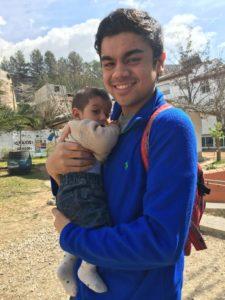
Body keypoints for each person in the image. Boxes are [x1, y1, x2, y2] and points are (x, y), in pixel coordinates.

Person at [47, 8, 197, 300]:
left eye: (133, 59)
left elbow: (160, 242)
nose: (118, 73)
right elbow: (93, 187)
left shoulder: (169, 127)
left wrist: (72, 237)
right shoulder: (107, 125)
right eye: (109, 63)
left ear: (160, 62)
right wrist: (54, 170)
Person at [55, 87, 119, 297]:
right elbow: (104, 142)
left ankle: (66, 265)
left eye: (108, 113)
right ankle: (87, 268)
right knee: (98, 226)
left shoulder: (77, 128)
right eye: (96, 111)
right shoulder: (80, 127)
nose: (103, 118)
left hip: (72, 190)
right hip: (82, 188)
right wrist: (116, 127)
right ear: (76, 114)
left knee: (81, 227)